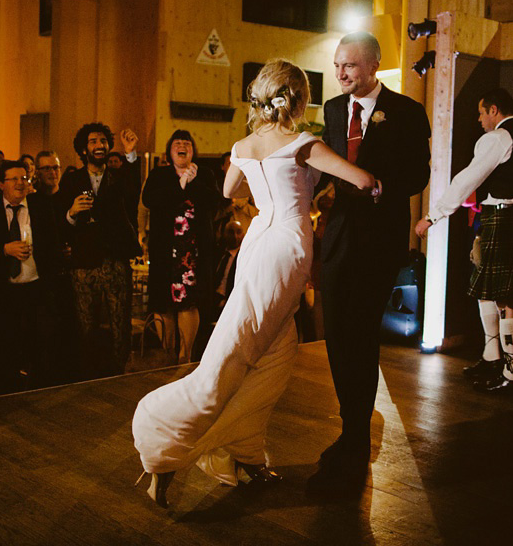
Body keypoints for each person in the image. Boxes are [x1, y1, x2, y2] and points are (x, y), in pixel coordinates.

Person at [132, 58, 377, 508]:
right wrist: (363, 185)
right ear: (298, 99)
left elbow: (230, 192)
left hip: (260, 241)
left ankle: (243, 452)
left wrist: (271, 189)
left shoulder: (244, 144)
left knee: (277, 353)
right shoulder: (304, 142)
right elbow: (361, 179)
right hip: (287, 247)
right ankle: (163, 445)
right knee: (237, 350)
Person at [312, 31, 431, 490]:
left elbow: (418, 173)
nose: (341, 73)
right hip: (339, 237)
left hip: (379, 239)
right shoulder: (333, 110)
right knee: (337, 335)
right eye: (338, 65)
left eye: (350, 66)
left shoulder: (405, 111)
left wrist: (380, 183)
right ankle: (351, 425)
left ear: (374, 65)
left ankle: (356, 438)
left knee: (361, 335)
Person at [416, 88, 513, 394]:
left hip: (502, 217)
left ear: (494, 110)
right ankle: (493, 358)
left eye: (482, 113)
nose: (480, 119)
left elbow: (467, 179)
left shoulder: (497, 138)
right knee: (490, 291)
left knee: (506, 297)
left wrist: (433, 216)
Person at [58, 125, 142, 377]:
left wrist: (131, 154)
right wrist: (72, 213)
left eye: (104, 141)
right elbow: (61, 225)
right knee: (85, 323)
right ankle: (87, 374)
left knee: (120, 320)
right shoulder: (72, 180)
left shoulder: (119, 176)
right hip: (84, 261)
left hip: (115, 259)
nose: (100, 145)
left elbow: (134, 189)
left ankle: (119, 372)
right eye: (93, 141)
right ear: (84, 149)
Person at [0, 160, 63, 390]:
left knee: (39, 342)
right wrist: (4, 249)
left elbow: (53, 244)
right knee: (5, 343)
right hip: (3, 289)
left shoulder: (41, 205)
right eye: (14, 179)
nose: (21, 183)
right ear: (1, 183)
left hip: (36, 286)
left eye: (24, 178)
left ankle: (39, 388)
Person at [141, 129, 218, 364]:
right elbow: (149, 200)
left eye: (187, 142)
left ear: (193, 151)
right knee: (163, 302)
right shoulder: (159, 175)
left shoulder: (203, 174)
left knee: (189, 302)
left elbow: (214, 201)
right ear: (169, 150)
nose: (182, 145)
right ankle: (167, 353)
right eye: (177, 142)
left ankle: (186, 355)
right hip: (165, 251)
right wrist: (180, 184)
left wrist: (191, 183)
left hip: (192, 253)